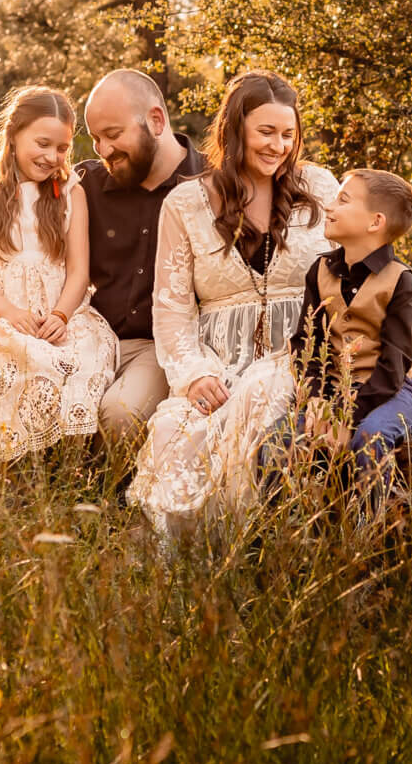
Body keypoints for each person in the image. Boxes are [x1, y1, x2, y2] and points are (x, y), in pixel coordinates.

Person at [129, 69, 338, 542]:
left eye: (288, 134)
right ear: (235, 130)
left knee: (257, 407)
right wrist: (194, 374)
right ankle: (189, 565)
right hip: (217, 362)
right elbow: (172, 307)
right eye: (266, 132)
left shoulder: (321, 188)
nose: (278, 145)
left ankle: (250, 549)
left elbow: (366, 252)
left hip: (299, 354)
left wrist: (407, 309)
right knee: (175, 428)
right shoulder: (186, 203)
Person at [0, 86, 118, 461]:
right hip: (6, 311)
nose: (51, 157)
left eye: (61, 148)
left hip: (62, 311)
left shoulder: (69, 194)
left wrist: (61, 315)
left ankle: (73, 467)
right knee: (21, 360)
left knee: (85, 361)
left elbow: (79, 271)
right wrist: (10, 313)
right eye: (42, 143)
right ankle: (25, 472)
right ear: (13, 135)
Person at [73, 70, 208, 467]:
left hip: (162, 346)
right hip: (90, 339)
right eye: (96, 138)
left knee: (119, 414)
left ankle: (106, 510)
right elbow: (17, 225)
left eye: (113, 134)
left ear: (156, 120)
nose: (103, 149)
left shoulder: (212, 185)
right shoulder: (85, 184)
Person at [274, 168, 412, 502]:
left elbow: (393, 368)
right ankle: (273, 535)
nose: (329, 207)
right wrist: (314, 398)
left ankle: (368, 535)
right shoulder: (320, 271)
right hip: (333, 384)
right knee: (280, 442)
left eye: (343, 200)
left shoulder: (400, 281)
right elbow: (307, 343)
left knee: (369, 438)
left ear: (375, 222)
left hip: (394, 390)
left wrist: (345, 418)